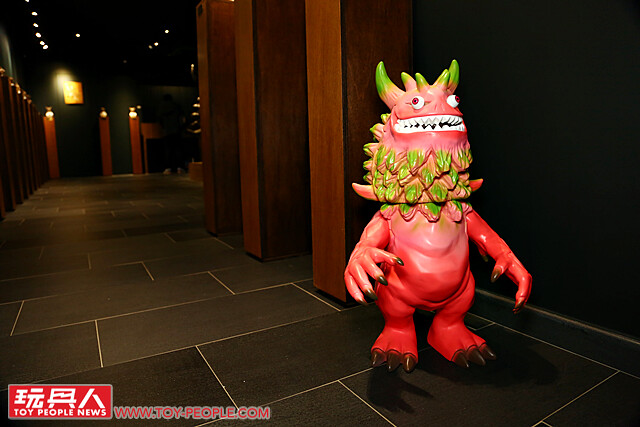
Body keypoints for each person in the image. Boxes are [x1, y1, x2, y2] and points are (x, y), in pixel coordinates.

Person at [157, 94, 186, 174]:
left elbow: (160, 120)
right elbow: (182, 118)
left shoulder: (161, 108)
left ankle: (168, 168)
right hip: (176, 131)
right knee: (178, 149)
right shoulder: (176, 106)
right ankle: (180, 167)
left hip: (167, 132)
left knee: (168, 150)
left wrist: (164, 128)